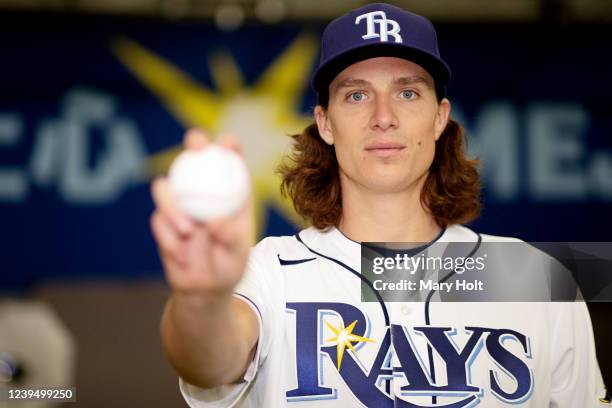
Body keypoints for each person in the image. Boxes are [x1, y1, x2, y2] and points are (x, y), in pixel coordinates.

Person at [150, 3, 606, 407]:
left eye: (408, 93)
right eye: (356, 94)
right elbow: (209, 363)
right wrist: (201, 299)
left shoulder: (533, 275)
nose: (383, 117)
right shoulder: (270, 270)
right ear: (325, 124)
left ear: (440, 118)